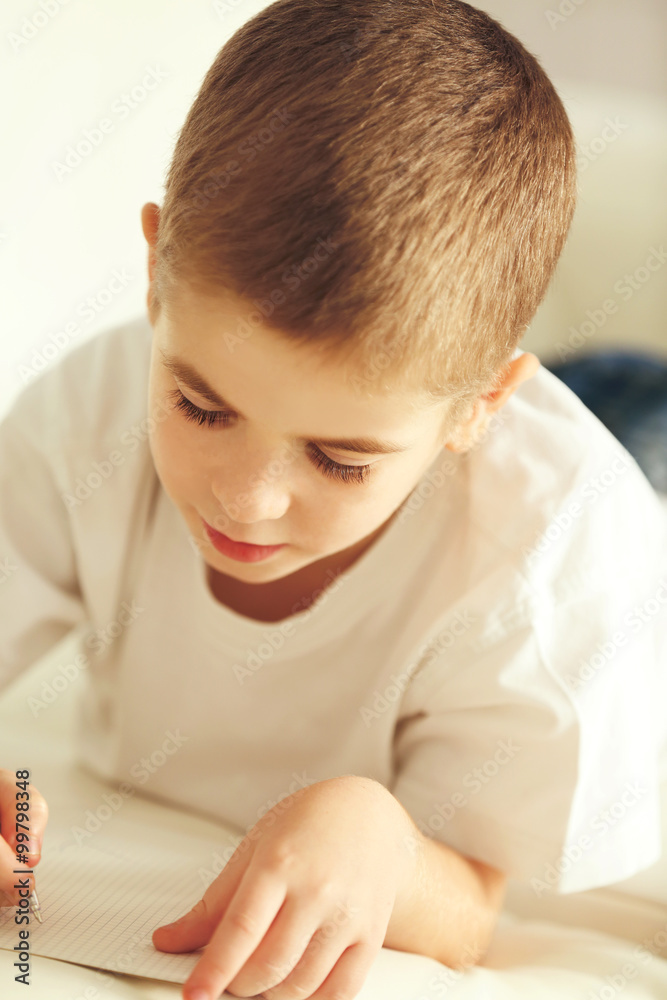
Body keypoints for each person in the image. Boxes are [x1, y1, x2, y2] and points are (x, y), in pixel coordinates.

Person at [1, 2, 666, 999]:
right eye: (201, 405)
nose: (247, 501)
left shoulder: (548, 563)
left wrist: (386, 840)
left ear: (479, 402)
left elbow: (476, 904)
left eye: (338, 459)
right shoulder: (89, 416)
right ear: (152, 273)